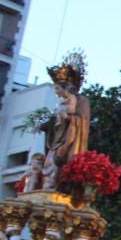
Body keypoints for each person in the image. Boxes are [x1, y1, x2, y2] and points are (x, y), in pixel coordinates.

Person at [41, 52, 90, 191]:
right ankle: (47, 188)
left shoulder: (82, 101)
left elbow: (82, 122)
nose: (57, 93)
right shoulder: (62, 102)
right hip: (58, 138)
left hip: (70, 139)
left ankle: (57, 187)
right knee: (48, 164)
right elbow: (56, 122)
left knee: (58, 166)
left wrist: (68, 118)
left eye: (58, 88)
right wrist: (47, 125)